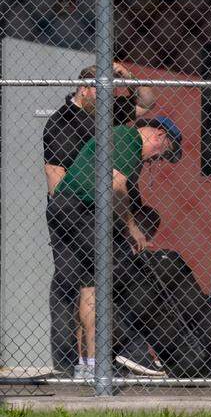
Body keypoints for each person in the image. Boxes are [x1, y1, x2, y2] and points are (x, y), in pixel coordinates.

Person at [41, 63, 156, 375]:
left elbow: (147, 101)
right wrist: (77, 221)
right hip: (76, 213)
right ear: (85, 88)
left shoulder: (110, 111)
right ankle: (70, 364)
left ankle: (100, 361)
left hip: (107, 213)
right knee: (72, 285)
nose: (108, 98)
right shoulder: (62, 124)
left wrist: (128, 77)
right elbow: (56, 181)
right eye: (102, 91)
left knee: (100, 284)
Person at [47, 116, 182, 380]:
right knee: (123, 273)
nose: (155, 161)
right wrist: (132, 229)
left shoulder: (118, 136)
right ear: (159, 135)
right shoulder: (128, 140)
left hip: (62, 208)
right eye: (161, 154)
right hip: (82, 209)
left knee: (89, 284)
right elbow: (117, 186)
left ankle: (91, 364)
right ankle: (131, 351)